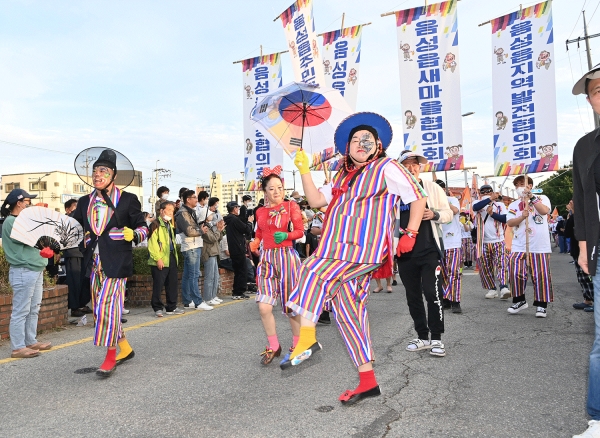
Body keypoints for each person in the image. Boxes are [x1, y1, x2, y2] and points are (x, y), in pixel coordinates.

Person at [282, 112, 427, 405]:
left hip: (363, 247)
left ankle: (307, 336)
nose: (362, 144)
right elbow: (316, 202)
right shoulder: (342, 175)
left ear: (378, 146)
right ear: (347, 147)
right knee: (348, 315)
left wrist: (410, 233)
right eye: (356, 140)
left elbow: (417, 196)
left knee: (311, 269)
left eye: (368, 140)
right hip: (337, 248)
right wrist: (304, 171)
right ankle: (368, 381)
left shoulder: (387, 166)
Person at [72, 149, 148, 377]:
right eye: (94, 171)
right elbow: (72, 229)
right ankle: (125, 347)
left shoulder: (128, 200)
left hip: (117, 263)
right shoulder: (84, 201)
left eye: (102, 170)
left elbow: (144, 227)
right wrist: (52, 246)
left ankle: (110, 355)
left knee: (106, 306)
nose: (97, 174)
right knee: (100, 310)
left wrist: (134, 235)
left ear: (113, 175)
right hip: (94, 263)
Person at [395, 153, 453, 356]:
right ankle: (422, 336)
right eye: (407, 165)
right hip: (404, 253)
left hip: (429, 250)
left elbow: (449, 213)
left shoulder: (432, 188)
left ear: (420, 168)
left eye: (415, 165)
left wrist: (434, 214)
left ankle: (436, 338)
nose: (412, 168)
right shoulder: (393, 192)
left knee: (432, 293)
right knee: (413, 296)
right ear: (399, 168)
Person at [248, 167, 304, 365]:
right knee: (264, 307)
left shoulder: (291, 207)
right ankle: (274, 345)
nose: (277, 191)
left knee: (291, 307)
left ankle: (298, 344)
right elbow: (260, 233)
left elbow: (300, 231)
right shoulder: (260, 211)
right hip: (267, 259)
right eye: (271, 189)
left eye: (279, 187)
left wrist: (287, 236)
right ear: (265, 191)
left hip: (287, 258)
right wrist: (255, 243)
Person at [571, 63, 600, 438]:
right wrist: (582, 246)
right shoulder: (585, 146)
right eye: (596, 90)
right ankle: (598, 417)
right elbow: (580, 197)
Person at [2, 189, 53, 358]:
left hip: (34, 269)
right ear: (19, 202)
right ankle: (18, 347)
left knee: (33, 308)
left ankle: (30, 340)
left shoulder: (21, 220)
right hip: (24, 269)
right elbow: (31, 236)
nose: (29, 204)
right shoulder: (11, 221)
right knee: (21, 310)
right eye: (27, 201)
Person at [505, 176, 553, 317]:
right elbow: (510, 222)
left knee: (540, 275)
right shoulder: (514, 205)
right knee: (515, 272)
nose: (520, 187)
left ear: (530, 186)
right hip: (519, 245)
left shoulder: (542, 198)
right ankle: (519, 300)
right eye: (517, 185)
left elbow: (544, 211)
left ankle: (541, 305)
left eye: (522, 184)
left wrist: (531, 197)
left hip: (539, 245)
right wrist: (521, 217)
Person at [175, 190, 212, 311]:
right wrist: (201, 231)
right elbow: (189, 231)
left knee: (187, 275)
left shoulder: (190, 211)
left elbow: (193, 228)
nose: (197, 200)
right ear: (187, 200)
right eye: (194, 197)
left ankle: (187, 300)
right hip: (191, 246)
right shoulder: (183, 213)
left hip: (194, 245)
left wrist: (200, 227)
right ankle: (198, 301)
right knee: (194, 274)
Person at [147, 201, 185, 317]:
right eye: (169, 210)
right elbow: (152, 244)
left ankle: (171, 307)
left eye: (172, 211)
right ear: (162, 211)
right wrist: (158, 258)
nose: (171, 213)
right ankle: (157, 307)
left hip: (171, 256)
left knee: (172, 283)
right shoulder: (155, 224)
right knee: (158, 284)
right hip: (160, 258)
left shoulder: (169, 224)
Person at [473, 184, 510, 299]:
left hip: (498, 240)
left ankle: (504, 287)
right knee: (485, 266)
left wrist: (492, 214)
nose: (485, 193)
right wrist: (489, 199)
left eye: (488, 192)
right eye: (483, 192)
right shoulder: (476, 204)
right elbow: (475, 208)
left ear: (492, 192)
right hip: (483, 241)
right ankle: (491, 289)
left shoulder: (499, 205)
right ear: (480, 194)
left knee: (501, 264)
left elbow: (505, 219)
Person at [436, 180, 463, 314]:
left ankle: (455, 301)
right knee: (442, 273)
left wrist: (444, 201)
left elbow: (456, 211)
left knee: (454, 273)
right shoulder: (431, 202)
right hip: (438, 242)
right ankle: (445, 297)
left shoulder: (452, 199)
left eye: (440, 188)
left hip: (453, 242)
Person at [63, 198, 92, 318]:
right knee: (74, 281)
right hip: (72, 252)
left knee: (85, 280)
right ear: (68, 209)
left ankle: (82, 303)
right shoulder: (67, 219)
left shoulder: (86, 214)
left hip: (84, 252)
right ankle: (74, 307)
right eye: (75, 206)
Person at [565, 200, 594, 312]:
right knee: (582, 278)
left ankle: (595, 301)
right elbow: (567, 232)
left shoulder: (586, 216)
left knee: (589, 278)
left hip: (587, 251)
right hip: (577, 251)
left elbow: (578, 229)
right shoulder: (574, 216)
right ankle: (587, 300)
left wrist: (574, 213)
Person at [224, 201, 254, 300]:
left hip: (233, 248)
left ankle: (236, 292)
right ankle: (239, 292)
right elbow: (246, 229)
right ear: (234, 208)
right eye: (237, 207)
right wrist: (249, 222)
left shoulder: (228, 220)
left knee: (238, 271)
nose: (238, 209)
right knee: (242, 271)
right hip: (238, 248)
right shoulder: (234, 220)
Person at [201, 212, 225, 306]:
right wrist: (218, 230)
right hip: (208, 253)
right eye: (210, 214)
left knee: (215, 276)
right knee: (209, 277)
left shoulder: (210, 226)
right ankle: (207, 298)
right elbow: (212, 238)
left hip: (214, 252)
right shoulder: (203, 227)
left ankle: (213, 296)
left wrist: (220, 230)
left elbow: (218, 238)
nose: (212, 216)